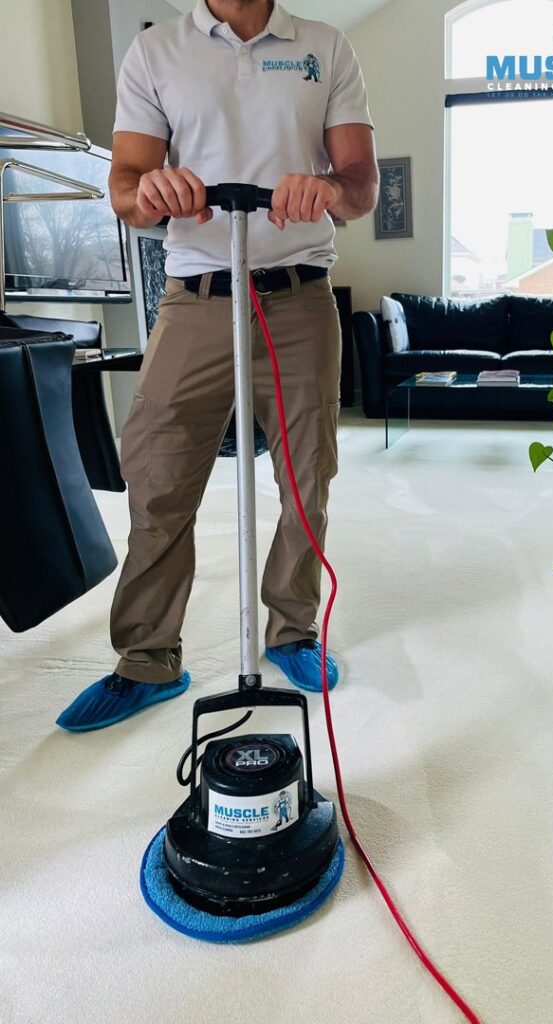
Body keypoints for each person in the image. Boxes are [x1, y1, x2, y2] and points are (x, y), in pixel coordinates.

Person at [56, 0, 378, 732]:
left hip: (297, 296)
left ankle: (292, 629)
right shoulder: (155, 52)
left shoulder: (325, 47)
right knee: (158, 475)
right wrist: (152, 191)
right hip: (196, 295)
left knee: (306, 473)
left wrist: (327, 189)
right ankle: (147, 660)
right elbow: (125, 189)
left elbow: (361, 186)